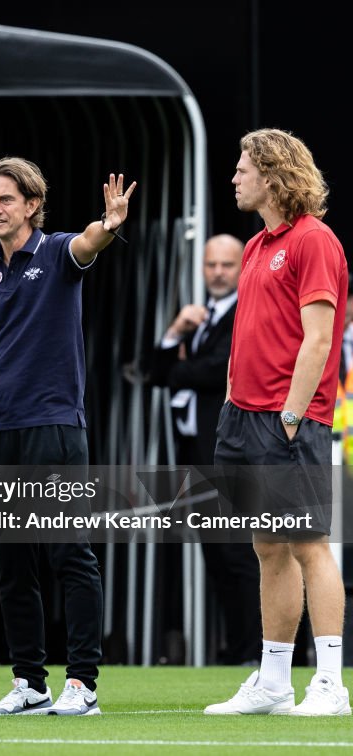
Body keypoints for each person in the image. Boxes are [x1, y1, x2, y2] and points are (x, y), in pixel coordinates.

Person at [0, 157, 136, 716]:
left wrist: (110, 223)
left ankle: (83, 684)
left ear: (32, 204)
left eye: (6, 200)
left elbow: (88, 244)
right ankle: (30, 683)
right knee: (12, 565)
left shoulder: (55, 253)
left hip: (54, 427)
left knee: (68, 555)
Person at [205, 128, 350, 717]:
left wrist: (290, 417)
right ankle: (272, 683)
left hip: (288, 421)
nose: (235, 177)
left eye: (243, 168)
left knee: (311, 545)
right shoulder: (257, 245)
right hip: (240, 420)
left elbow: (320, 340)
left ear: (272, 173)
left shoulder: (315, 240)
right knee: (268, 548)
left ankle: (332, 684)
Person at [149, 233, 261, 665]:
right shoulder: (199, 317)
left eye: (226, 265)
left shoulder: (244, 311)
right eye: (211, 265)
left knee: (240, 555)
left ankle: (256, 654)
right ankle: (238, 651)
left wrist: (183, 369)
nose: (218, 272)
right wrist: (175, 332)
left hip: (232, 450)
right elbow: (157, 372)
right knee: (216, 556)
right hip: (197, 451)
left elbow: (220, 371)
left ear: (240, 268)